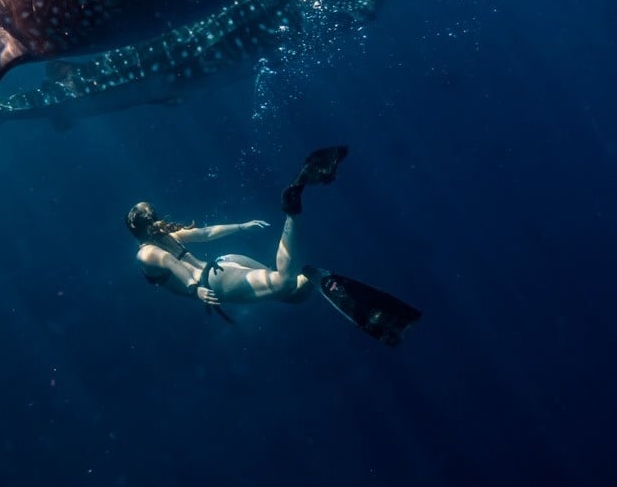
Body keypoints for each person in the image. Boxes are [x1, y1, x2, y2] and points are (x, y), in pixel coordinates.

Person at [127, 146, 421, 345]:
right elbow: (206, 234)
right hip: (226, 263)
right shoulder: (165, 238)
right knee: (294, 293)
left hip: (215, 281)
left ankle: (293, 202)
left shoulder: (147, 252)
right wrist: (240, 226)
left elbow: (173, 266)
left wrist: (195, 289)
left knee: (281, 282)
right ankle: (314, 275)